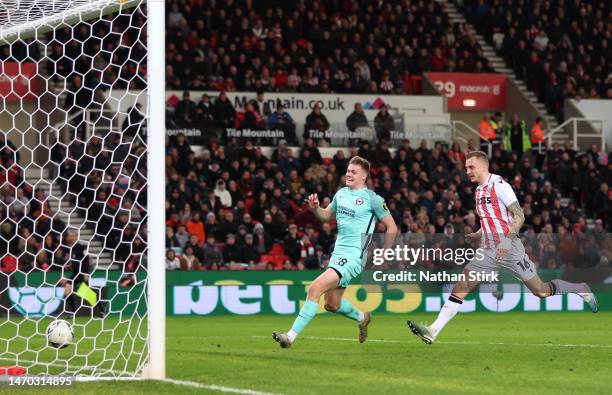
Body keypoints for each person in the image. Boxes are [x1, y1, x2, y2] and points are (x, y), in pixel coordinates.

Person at [407, 151, 598, 344]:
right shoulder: (478, 191)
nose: (467, 171)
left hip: (510, 248)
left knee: (540, 291)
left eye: (471, 167)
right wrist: (479, 232)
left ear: (483, 166)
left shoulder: (500, 186)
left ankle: (579, 288)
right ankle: (433, 330)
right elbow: (490, 218)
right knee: (460, 287)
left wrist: (506, 242)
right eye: (466, 168)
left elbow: (519, 216)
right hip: (488, 250)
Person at [273, 156, 398, 348]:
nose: (348, 174)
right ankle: (362, 316)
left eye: (353, 172)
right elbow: (325, 216)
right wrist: (316, 209)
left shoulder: (373, 199)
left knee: (315, 288)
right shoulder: (340, 194)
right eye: (348, 171)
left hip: (354, 256)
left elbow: (392, 228)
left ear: (364, 176)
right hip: (338, 255)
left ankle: (290, 337)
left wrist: (384, 253)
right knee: (332, 304)